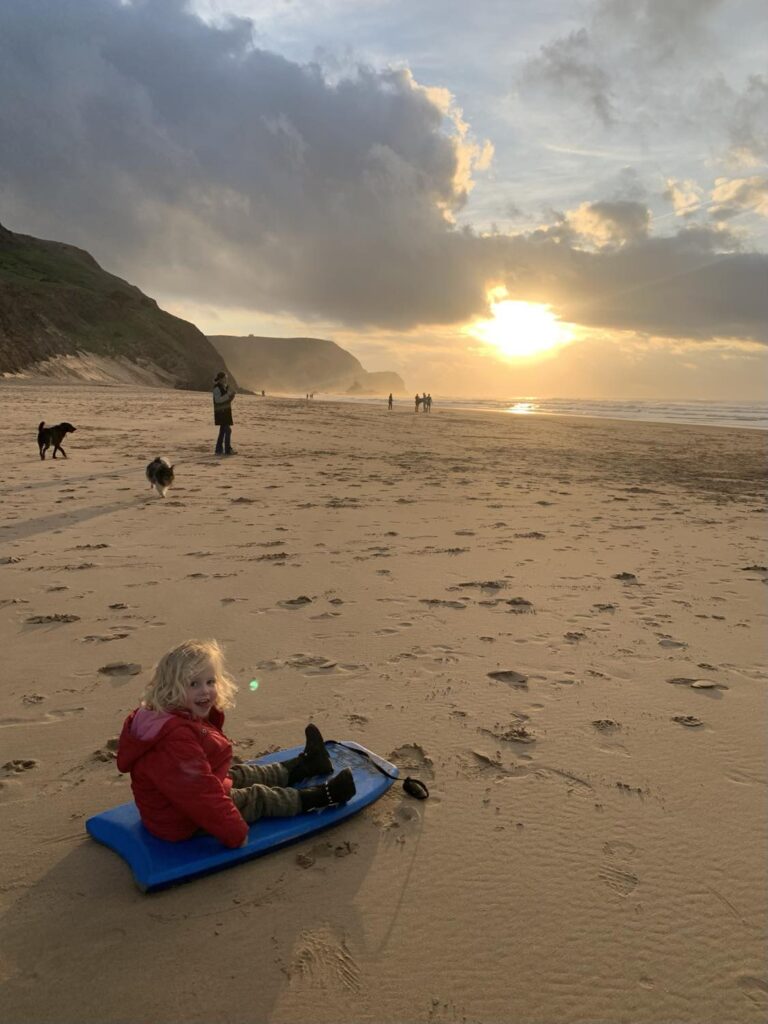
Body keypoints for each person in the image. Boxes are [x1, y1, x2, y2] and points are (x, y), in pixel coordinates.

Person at [116, 639, 356, 849]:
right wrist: (234, 832)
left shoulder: (169, 715)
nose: (206, 691)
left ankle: (308, 765)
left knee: (243, 773)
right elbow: (201, 796)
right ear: (170, 689)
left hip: (180, 798)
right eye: (193, 684)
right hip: (180, 820)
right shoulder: (173, 741)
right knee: (257, 797)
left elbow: (200, 777)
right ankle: (322, 796)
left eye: (210, 682)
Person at [212, 371, 236, 456]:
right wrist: (228, 395)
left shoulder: (223, 387)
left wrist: (231, 396)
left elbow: (226, 400)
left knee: (223, 431)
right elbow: (218, 400)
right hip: (221, 413)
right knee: (228, 430)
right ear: (221, 379)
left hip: (224, 412)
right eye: (225, 378)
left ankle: (219, 449)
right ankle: (227, 449)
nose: (226, 380)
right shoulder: (217, 388)